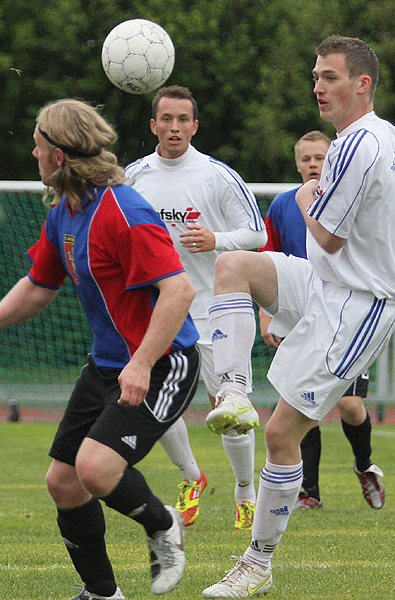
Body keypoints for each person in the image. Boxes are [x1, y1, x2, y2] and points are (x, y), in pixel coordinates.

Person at [202, 36, 395, 598]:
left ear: (363, 84)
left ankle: (257, 562)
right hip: (327, 282)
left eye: (329, 77)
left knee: (281, 434)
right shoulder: (388, 135)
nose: (318, 86)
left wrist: (307, 197)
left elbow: (323, 234)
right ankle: (231, 392)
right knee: (232, 265)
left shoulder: (356, 146)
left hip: (361, 304)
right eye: (316, 75)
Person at [0, 99, 199, 600]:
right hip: (108, 367)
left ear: (57, 155)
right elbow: (39, 283)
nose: (32, 152)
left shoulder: (124, 210)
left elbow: (179, 291)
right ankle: (102, 593)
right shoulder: (67, 211)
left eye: (37, 144)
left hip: (163, 363)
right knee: (64, 482)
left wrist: (141, 363)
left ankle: (164, 524)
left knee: (95, 469)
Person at [125, 86, 266, 531]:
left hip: (214, 309)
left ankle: (246, 490)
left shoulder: (217, 175)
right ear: (153, 125)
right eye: (166, 119)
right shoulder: (134, 176)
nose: (174, 127)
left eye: (183, 119)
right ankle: (191, 477)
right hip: (159, 310)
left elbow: (257, 234)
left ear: (195, 126)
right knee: (151, 400)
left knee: (227, 406)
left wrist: (215, 240)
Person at [259, 131, 384, 512]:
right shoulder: (283, 205)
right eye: (307, 158)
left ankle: (365, 465)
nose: (313, 164)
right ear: (297, 163)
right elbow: (268, 259)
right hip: (300, 313)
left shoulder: (345, 203)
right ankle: (308, 492)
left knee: (349, 404)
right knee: (297, 400)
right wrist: (266, 315)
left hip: (346, 317)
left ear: (331, 162)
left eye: (320, 157)